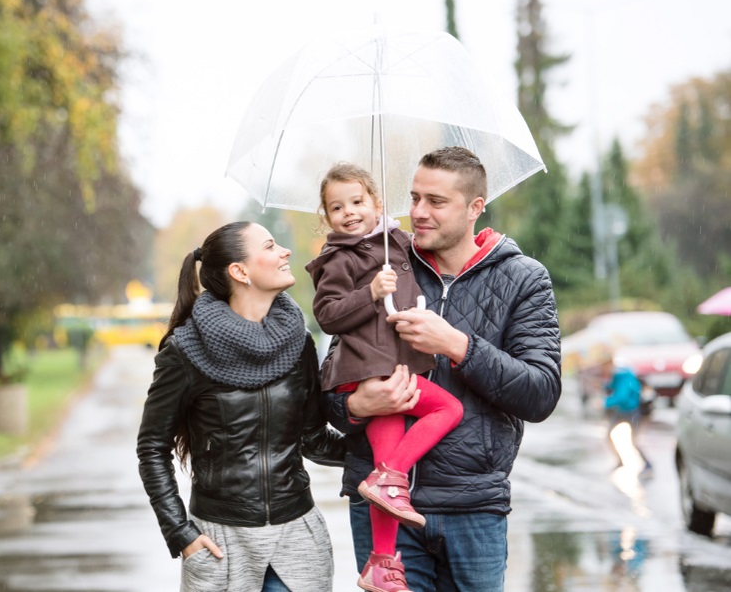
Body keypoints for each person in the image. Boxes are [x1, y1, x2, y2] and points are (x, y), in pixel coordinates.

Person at [322, 147, 562, 591]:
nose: (418, 212)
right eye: (414, 198)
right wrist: (356, 405)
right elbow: (332, 382)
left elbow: (540, 393)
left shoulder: (524, 278)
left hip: (473, 506)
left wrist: (457, 345)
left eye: (435, 201)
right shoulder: (382, 264)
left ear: (474, 208)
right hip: (382, 515)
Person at [137, 221, 346, 592]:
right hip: (221, 545)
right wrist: (181, 533)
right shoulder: (185, 351)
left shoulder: (298, 343)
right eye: (269, 246)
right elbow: (153, 449)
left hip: (297, 540)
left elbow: (313, 439)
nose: (284, 252)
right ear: (240, 271)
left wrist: (387, 446)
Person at [305, 163, 464, 592]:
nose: (349, 212)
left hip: (395, 367)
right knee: (448, 408)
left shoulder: (399, 242)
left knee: (383, 477)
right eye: (337, 207)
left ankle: (380, 562)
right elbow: (327, 315)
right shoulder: (337, 257)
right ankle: (391, 474)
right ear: (327, 216)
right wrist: (370, 292)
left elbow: (446, 249)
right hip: (365, 369)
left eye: (358, 202)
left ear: (378, 204)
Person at [601, 358, 653, 475]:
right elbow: (611, 387)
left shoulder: (624, 376)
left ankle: (648, 465)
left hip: (632, 411)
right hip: (619, 411)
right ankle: (620, 461)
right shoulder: (615, 376)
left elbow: (622, 396)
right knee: (608, 436)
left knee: (634, 441)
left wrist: (604, 402)